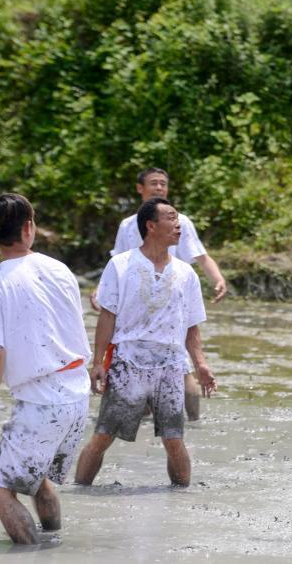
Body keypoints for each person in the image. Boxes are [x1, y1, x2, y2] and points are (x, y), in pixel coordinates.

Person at [0, 193, 91, 544]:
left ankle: (32, 553)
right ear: (28, 228)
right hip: (76, 393)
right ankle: (54, 542)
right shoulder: (59, 270)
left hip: (41, 401)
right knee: (39, 481)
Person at [74, 198, 217, 487]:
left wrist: (201, 365)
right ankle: (78, 492)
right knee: (103, 436)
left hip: (170, 365)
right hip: (128, 362)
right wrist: (98, 363)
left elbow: (192, 327)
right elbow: (107, 316)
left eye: (178, 218)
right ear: (151, 226)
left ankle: (182, 500)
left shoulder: (186, 273)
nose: (178, 224)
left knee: (174, 439)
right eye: (171, 218)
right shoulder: (121, 264)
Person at [92, 167, 226, 421]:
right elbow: (116, 268)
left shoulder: (182, 230)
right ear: (140, 188)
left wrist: (218, 279)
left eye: (163, 183)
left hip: (169, 304)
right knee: (129, 415)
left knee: (182, 398)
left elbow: (200, 255)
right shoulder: (127, 228)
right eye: (154, 183)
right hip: (134, 313)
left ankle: (191, 426)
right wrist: (102, 290)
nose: (159, 188)